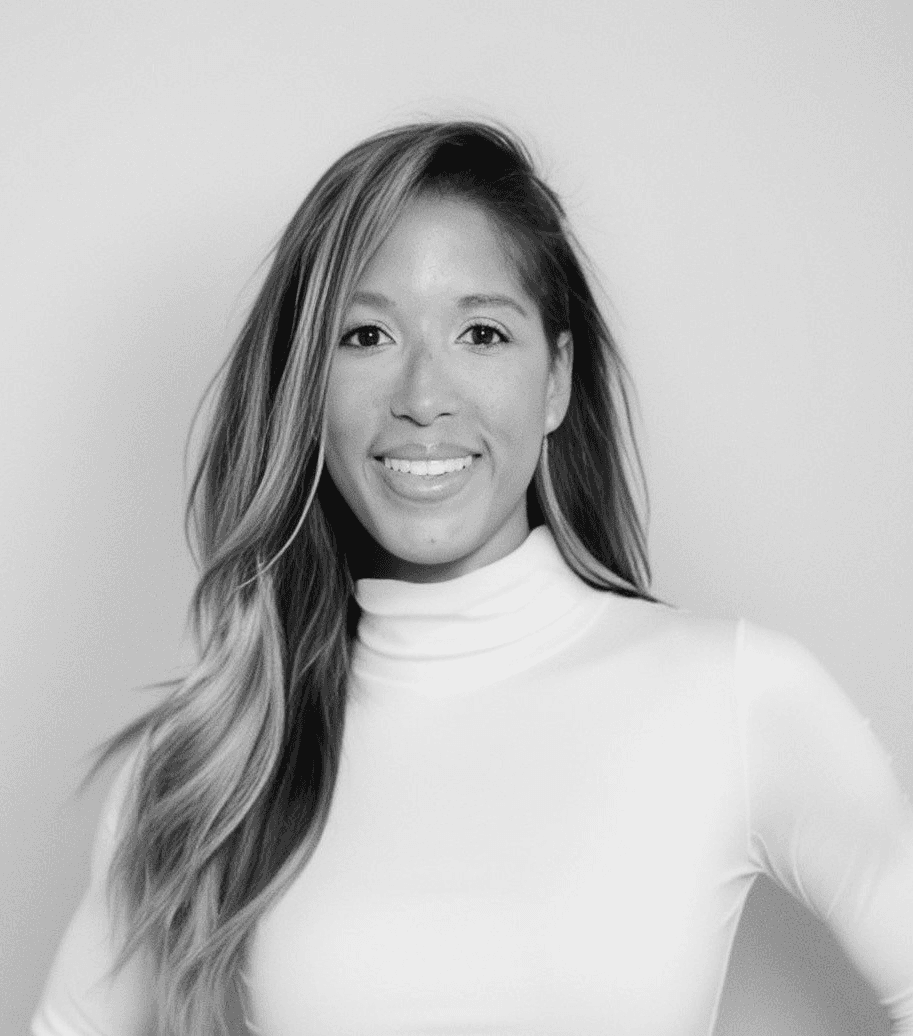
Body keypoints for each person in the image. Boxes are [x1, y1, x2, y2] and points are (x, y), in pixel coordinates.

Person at [31, 121, 913, 1036]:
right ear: (306, 387)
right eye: (366, 335)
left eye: (481, 333)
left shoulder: (732, 693)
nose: (422, 398)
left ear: (555, 379)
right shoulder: (210, 758)